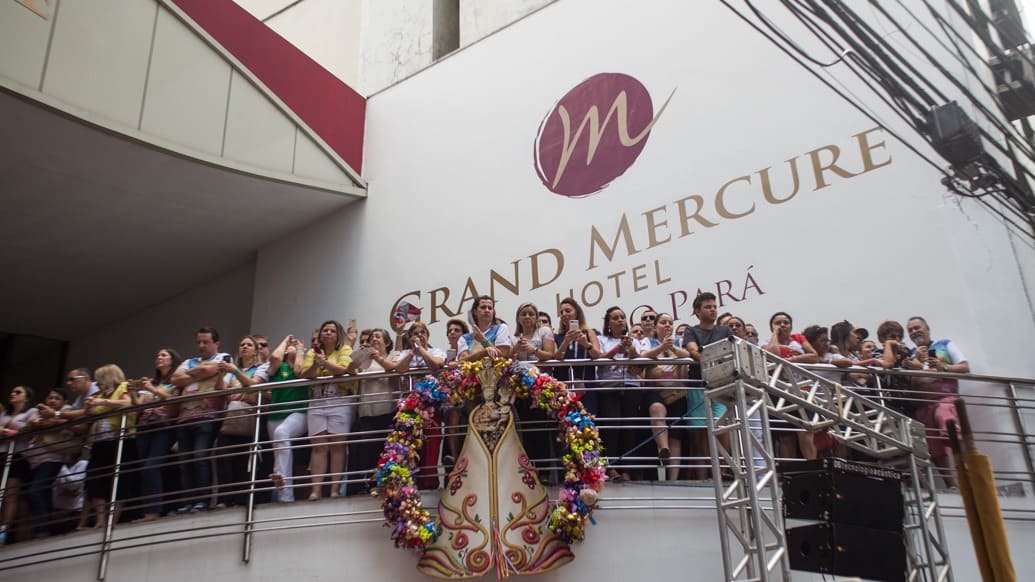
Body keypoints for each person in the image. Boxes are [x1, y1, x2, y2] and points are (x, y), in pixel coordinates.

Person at [170, 327, 232, 513]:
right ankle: (188, 501)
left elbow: (212, 369)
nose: (201, 346)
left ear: (216, 343)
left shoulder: (224, 357)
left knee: (200, 456)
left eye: (206, 342)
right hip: (184, 418)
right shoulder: (190, 361)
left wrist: (190, 375)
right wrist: (200, 371)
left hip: (208, 416)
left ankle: (202, 500)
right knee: (184, 461)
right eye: (199, 342)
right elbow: (175, 379)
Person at [904, 316, 969, 487]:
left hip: (945, 400)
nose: (914, 332)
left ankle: (966, 474)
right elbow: (912, 381)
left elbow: (964, 367)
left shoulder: (945, 344)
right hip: (924, 405)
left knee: (949, 427)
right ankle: (951, 483)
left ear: (927, 328)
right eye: (910, 330)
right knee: (933, 447)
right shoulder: (911, 354)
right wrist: (917, 362)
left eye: (917, 327)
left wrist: (943, 368)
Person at [301, 320, 354, 500]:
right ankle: (315, 490)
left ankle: (334, 490)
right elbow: (304, 373)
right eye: (325, 330)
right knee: (319, 446)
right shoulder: (312, 352)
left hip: (339, 399)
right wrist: (317, 364)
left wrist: (325, 364)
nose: (328, 333)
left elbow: (343, 369)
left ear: (338, 334)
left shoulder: (345, 350)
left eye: (332, 331)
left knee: (337, 446)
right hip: (317, 401)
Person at [128, 348, 183, 521]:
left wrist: (151, 388)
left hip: (164, 427)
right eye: (158, 355)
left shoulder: (176, 380)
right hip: (144, 427)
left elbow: (172, 399)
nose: (159, 357)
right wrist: (133, 392)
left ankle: (153, 510)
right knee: (144, 468)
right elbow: (140, 405)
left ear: (173, 360)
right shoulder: (152, 381)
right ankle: (147, 510)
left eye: (164, 355)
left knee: (151, 466)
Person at [215, 336, 270, 509]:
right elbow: (221, 389)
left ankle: (239, 500)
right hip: (231, 417)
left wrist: (234, 372)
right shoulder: (234, 369)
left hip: (249, 417)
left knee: (242, 460)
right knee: (222, 457)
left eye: (249, 345)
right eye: (242, 344)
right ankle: (224, 499)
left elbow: (253, 385)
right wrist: (221, 374)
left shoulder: (262, 367)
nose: (244, 347)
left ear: (256, 350)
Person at [683, 293, 734, 478]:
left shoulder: (725, 331)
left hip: (721, 384)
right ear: (697, 311)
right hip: (698, 384)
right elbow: (692, 351)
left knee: (722, 425)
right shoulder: (691, 330)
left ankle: (723, 469)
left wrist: (706, 358)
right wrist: (712, 359)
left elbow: (731, 352)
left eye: (714, 306)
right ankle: (710, 471)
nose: (712, 309)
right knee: (703, 430)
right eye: (707, 307)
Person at [346, 328, 400, 493]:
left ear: (387, 342)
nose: (374, 340)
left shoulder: (393, 355)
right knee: (366, 450)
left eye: (378, 337)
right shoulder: (365, 360)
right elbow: (350, 370)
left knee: (384, 451)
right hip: (366, 414)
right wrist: (358, 358)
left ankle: (384, 486)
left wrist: (379, 358)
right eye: (371, 338)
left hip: (386, 413)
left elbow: (395, 369)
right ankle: (369, 485)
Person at [81, 364, 134, 529]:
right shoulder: (100, 394)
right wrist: (90, 406)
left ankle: (113, 519)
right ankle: (100, 519)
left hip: (120, 439)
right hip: (100, 442)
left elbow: (127, 404)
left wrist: (102, 401)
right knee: (94, 478)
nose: (97, 385)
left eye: (100, 381)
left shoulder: (123, 387)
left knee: (120, 479)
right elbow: (91, 414)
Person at [395, 322, 446, 489]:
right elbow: (400, 369)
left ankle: (429, 482)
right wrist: (411, 353)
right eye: (416, 333)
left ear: (428, 335)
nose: (420, 335)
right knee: (409, 443)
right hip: (408, 406)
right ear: (410, 338)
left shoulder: (435, 351)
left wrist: (422, 350)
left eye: (423, 332)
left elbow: (435, 365)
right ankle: (409, 483)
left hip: (431, 405)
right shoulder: (404, 353)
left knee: (431, 442)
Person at [511, 302, 558, 481]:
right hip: (522, 388)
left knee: (541, 428)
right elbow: (508, 359)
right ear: (518, 318)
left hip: (541, 385)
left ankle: (545, 471)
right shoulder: (515, 337)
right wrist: (516, 349)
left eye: (531, 314)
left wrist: (533, 350)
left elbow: (550, 355)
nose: (527, 317)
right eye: (524, 314)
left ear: (536, 317)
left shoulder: (544, 332)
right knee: (526, 429)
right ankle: (530, 470)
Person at [762, 312, 819, 460]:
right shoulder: (766, 342)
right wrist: (775, 333)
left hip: (802, 392)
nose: (782, 325)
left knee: (806, 434)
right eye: (778, 323)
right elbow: (773, 354)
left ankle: (812, 471)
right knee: (785, 437)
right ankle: (789, 472)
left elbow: (814, 356)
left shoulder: (798, 339)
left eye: (786, 322)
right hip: (779, 394)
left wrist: (794, 358)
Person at [640, 313, 690, 480]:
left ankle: (673, 479)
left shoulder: (678, 342)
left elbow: (687, 356)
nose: (668, 325)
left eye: (670, 322)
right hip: (655, 391)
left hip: (677, 394)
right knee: (656, 409)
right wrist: (662, 348)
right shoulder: (648, 341)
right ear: (655, 326)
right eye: (663, 322)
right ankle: (663, 448)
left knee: (676, 436)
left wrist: (672, 348)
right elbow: (642, 356)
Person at [596, 306, 642, 481]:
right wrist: (617, 349)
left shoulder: (634, 341)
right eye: (615, 318)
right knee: (612, 424)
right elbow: (599, 360)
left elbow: (637, 366)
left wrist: (629, 348)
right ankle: (611, 467)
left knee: (630, 427)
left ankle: (628, 470)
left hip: (630, 385)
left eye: (622, 317)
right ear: (608, 323)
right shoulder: (601, 339)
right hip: (609, 386)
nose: (620, 320)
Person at [25, 387, 75, 537]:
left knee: (35, 491)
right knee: (44, 493)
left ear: (64, 402)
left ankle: (43, 529)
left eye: (56, 398)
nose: (52, 401)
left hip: (52, 459)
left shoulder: (67, 411)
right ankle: (44, 528)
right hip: (35, 460)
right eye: (50, 397)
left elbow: (60, 423)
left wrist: (48, 420)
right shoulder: (39, 411)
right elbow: (30, 424)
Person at [266, 335, 310, 503]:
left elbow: (299, 368)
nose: (292, 346)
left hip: (299, 412)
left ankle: (282, 483)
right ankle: (283, 497)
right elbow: (275, 357)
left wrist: (299, 349)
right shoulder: (278, 366)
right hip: (275, 414)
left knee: (282, 432)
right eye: (289, 346)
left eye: (295, 345)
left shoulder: (304, 366)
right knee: (280, 451)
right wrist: (285, 340)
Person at [0, 386, 37, 544]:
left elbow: (32, 429)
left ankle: (3, 531)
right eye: (12, 391)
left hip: (18, 456)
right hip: (2, 453)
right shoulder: (4, 414)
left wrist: (7, 433)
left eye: (18, 392)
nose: (13, 394)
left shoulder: (30, 412)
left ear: (26, 397)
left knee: (10, 494)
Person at [553, 297, 601, 414]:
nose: (564, 314)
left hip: (586, 384)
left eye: (568, 311)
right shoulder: (557, 336)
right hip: (564, 385)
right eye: (561, 312)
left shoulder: (589, 333)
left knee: (587, 419)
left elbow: (596, 355)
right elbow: (557, 357)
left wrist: (585, 343)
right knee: (566, 420)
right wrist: (566, 341)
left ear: (577, 312)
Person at [442, 318, 470, 471]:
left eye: (457, 330)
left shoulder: (469, 351)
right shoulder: (443, 355)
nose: (452, 333)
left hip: (469, 396)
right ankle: (454, 457)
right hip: (450, 399)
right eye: (450, 331)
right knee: (452, 412)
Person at [458, 295, 512, 361]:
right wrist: (483, 352)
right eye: (483, 307)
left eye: (490, 308)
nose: (487, 310)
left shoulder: (501, 328)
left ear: (493, 312)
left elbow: (503, 355)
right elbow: (462, 361)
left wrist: (482, 340)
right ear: (475, 312)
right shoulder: (464, 338)